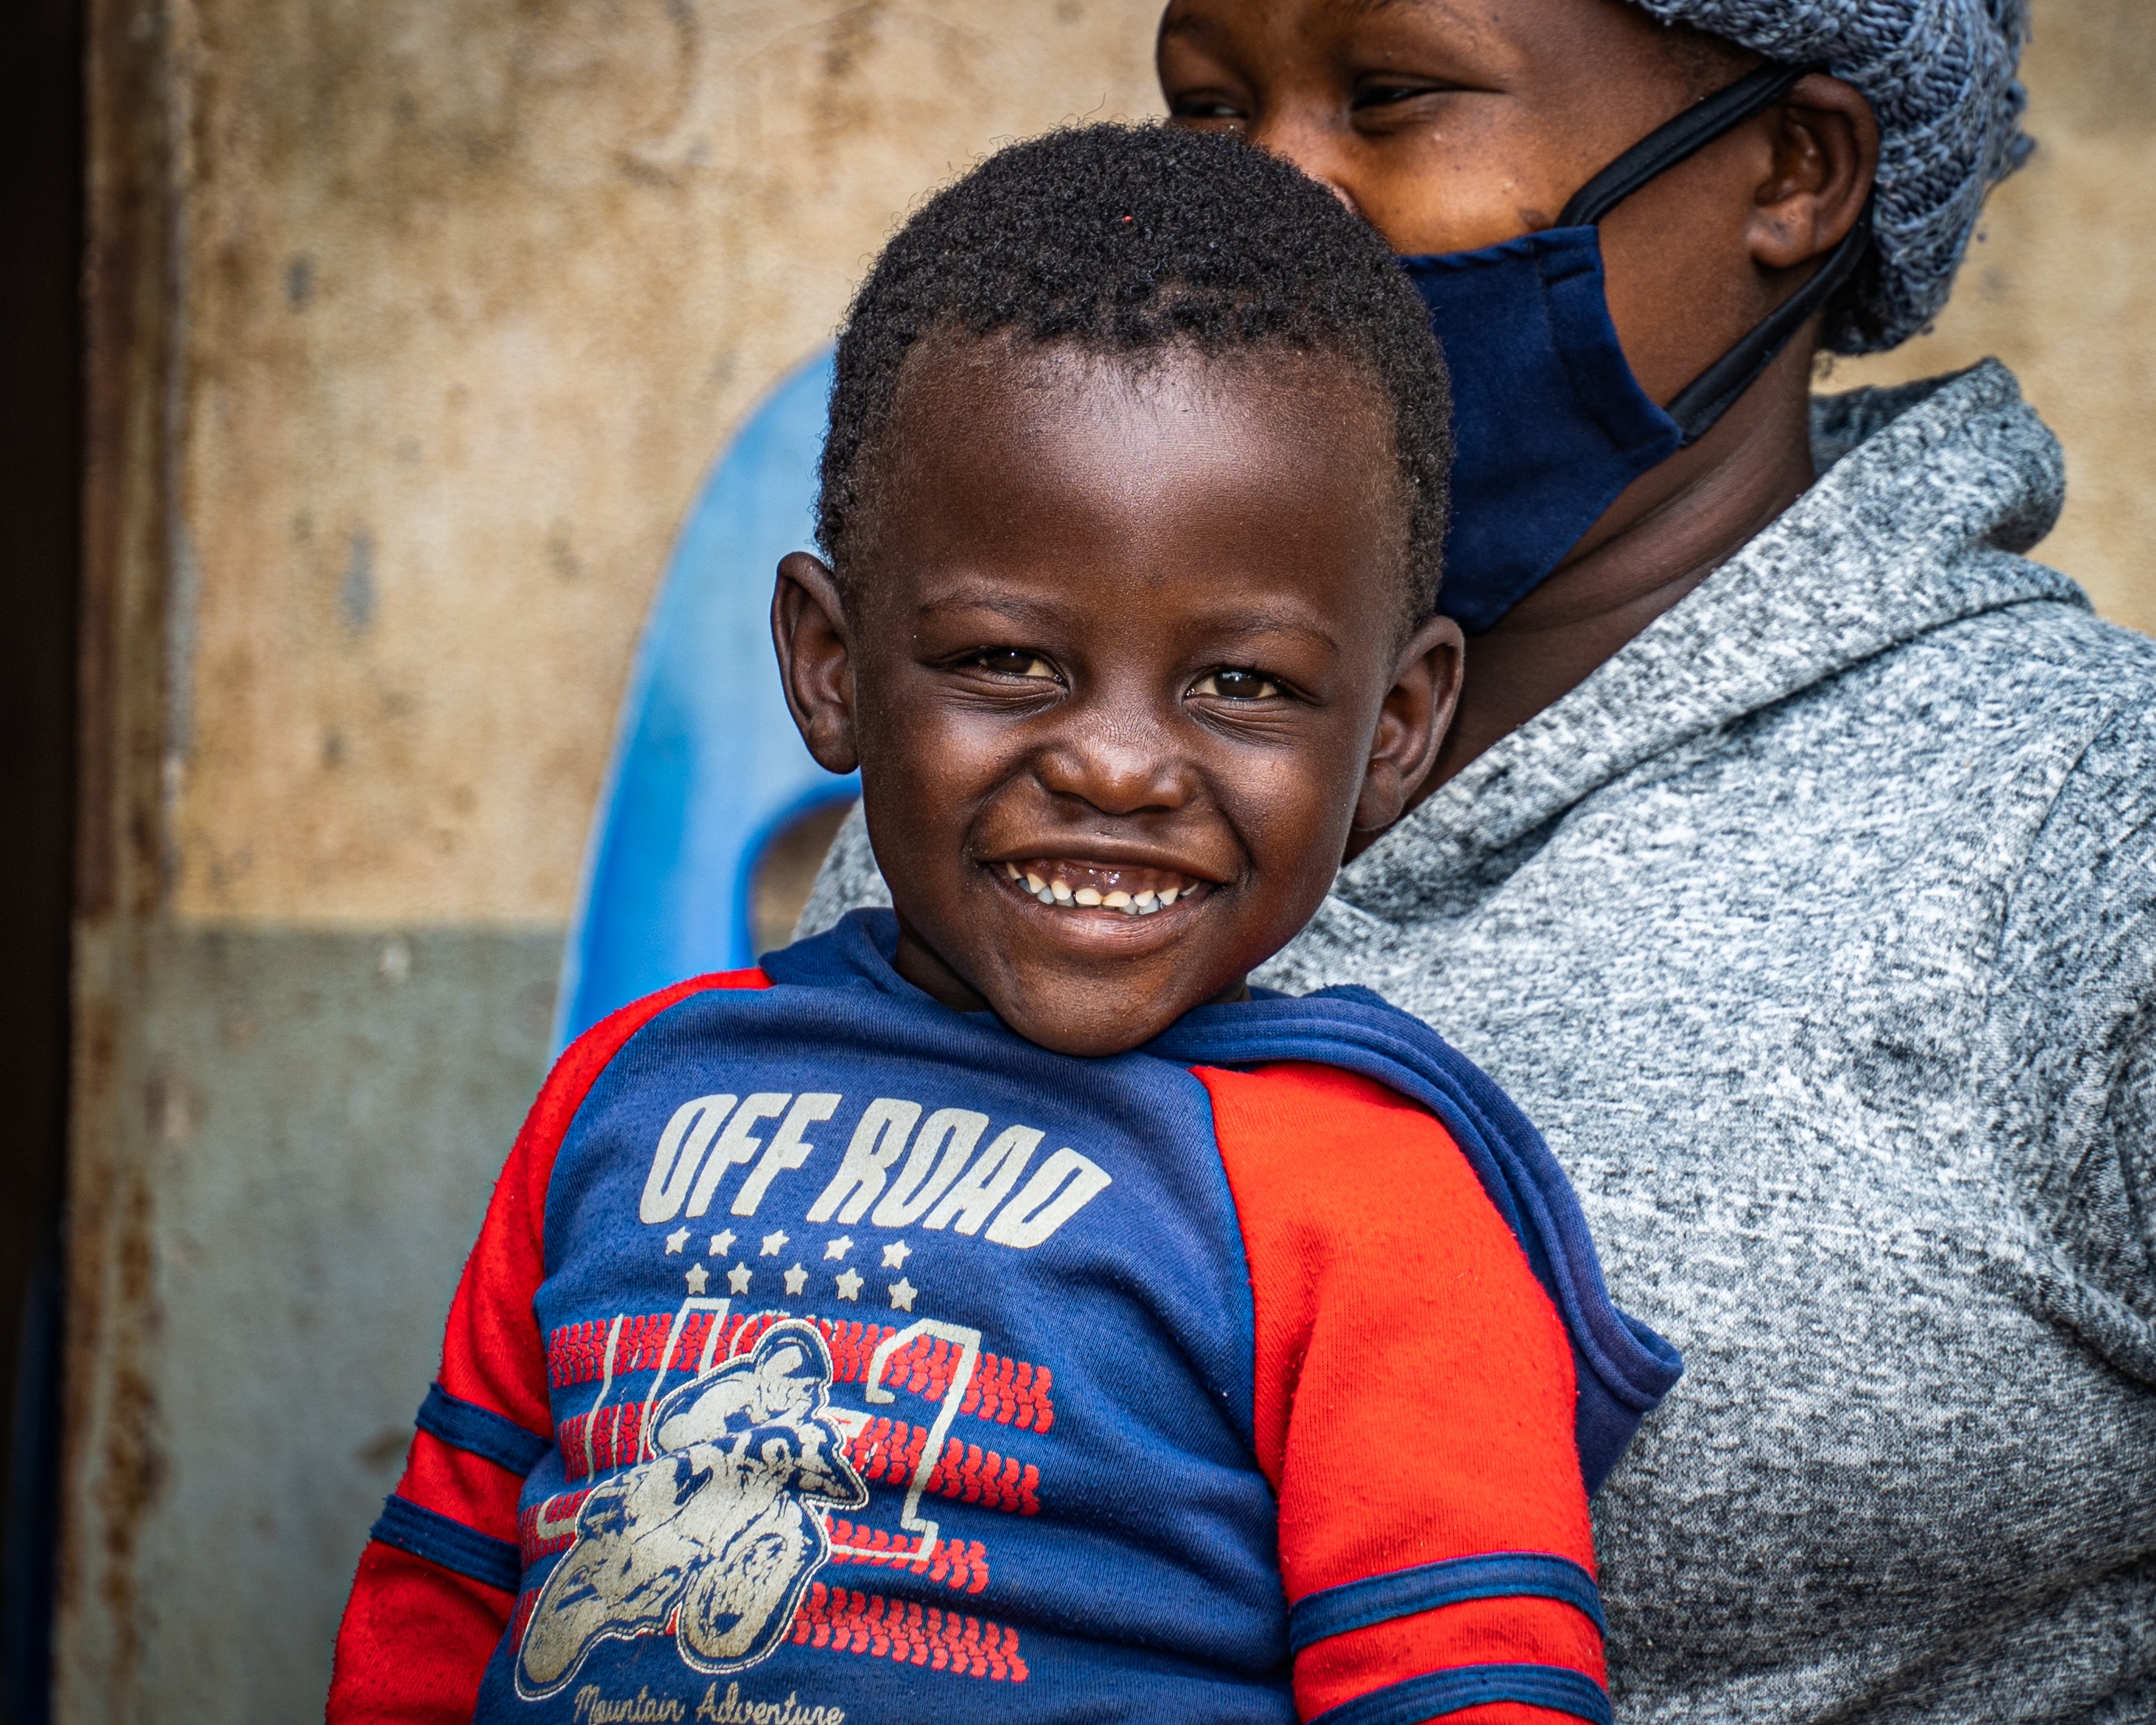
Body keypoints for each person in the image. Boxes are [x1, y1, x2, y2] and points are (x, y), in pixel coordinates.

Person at [795, 2, 2156, 1720]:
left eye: (1389, 97)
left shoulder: (2090, 824)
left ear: (1793, 171)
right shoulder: (1002, 773)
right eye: (1207, 107)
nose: (1272, 196)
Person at [325, 124, 1681, 1724]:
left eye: (1239, 683)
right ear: (830, 666)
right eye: (1005, 661)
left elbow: (1462, 1689)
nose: (1114, 765)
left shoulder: (1371, 1204)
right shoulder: (625, 1095)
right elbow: (440, 1590)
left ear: (1391, 730)